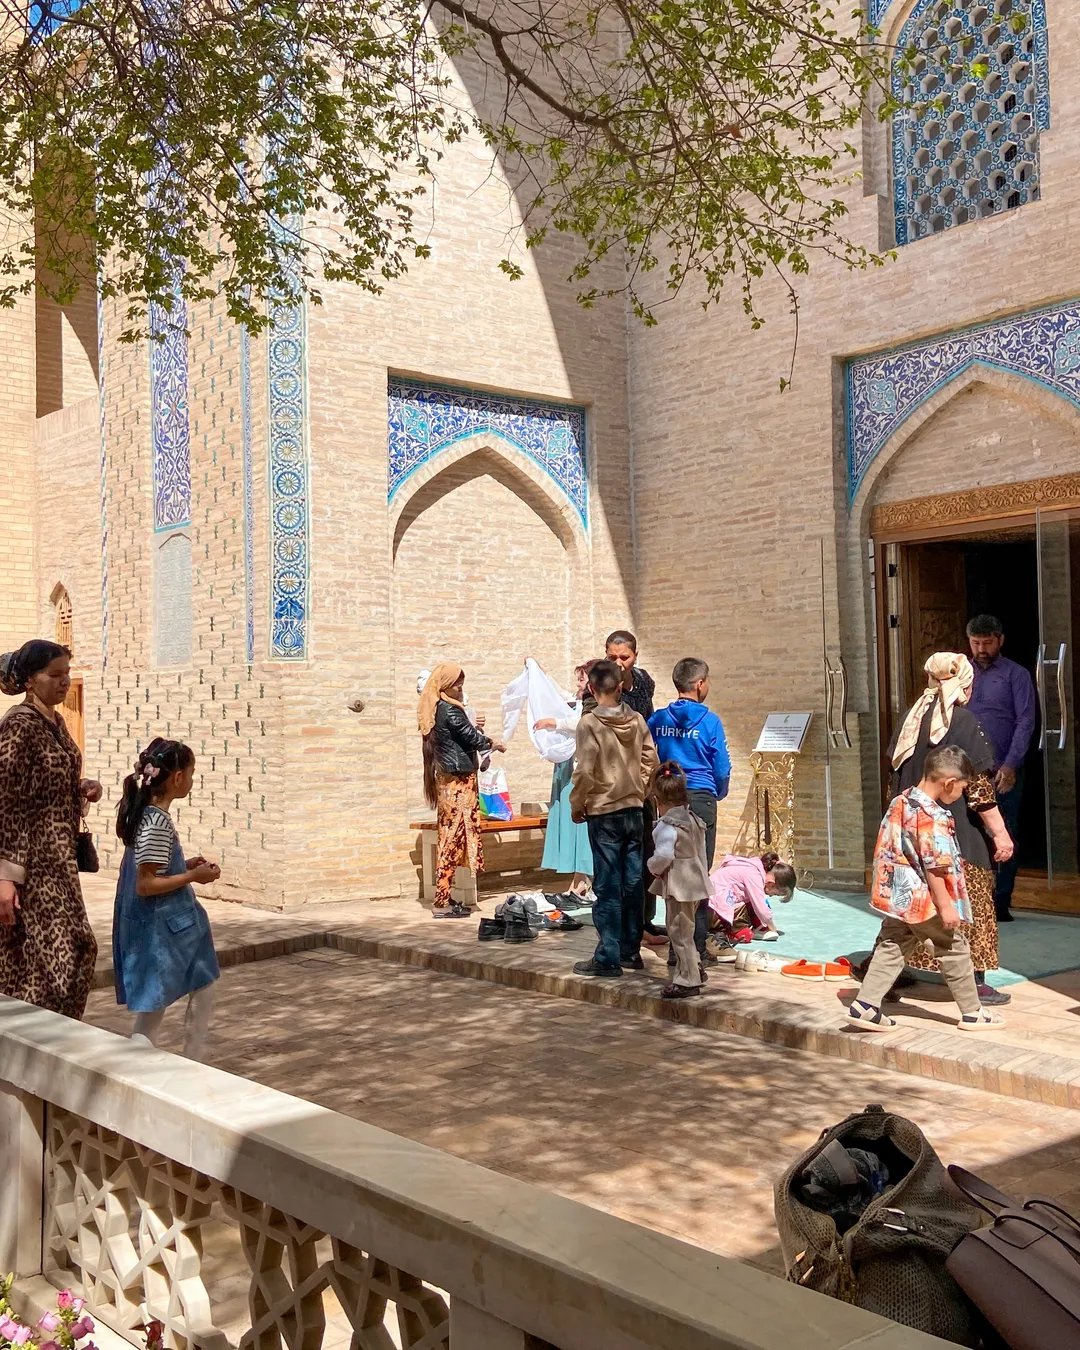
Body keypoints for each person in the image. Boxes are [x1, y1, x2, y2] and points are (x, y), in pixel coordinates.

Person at [848, 744, 1005, 1033]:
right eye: (962, 788)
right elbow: (935, 867)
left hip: (896, 895)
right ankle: (973, 1013)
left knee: (893, 944)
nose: (961, 794)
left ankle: (865, 1005)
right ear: (949, 783)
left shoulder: (901, 801)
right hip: (923, 901)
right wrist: (946, 906)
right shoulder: (933, 816)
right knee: (954, 948)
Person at [888, 652, 1014, 1006]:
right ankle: (974, 981)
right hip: (955, 835)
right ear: (964, 685)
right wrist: (1000, 834)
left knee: (912, 905)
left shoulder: (911, 719)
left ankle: (889, 971)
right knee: (968, 905)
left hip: (911, 830)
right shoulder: (963, 721)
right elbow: (979, 790)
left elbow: (894, 779)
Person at [0, 640, 102, 1020]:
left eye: (67, 674)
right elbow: (7, 801)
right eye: (55, 674)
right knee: (44, 962)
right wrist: (6, 876)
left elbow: (47, 782)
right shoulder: (18, 725)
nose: (64, 682)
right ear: (30, 679)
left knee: (74, 952)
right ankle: (33, 1041)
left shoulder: (56, 723)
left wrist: (82, 787)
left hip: (60, 862)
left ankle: (53, 1039)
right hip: (32, 866)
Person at [113, 738, 226, 1059]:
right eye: (191, 774)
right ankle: (160, 1065)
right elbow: (146, 883)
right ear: (177, 778)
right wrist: (193, 876)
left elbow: (154, 866)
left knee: (202, 985)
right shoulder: (156, 823)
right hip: (162, 932)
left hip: (177, 929)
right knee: (152, 1011)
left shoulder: (148, 816)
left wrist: (184, 865)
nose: (191, 780)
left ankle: (193, 1060)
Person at [569, 659, 659, 975]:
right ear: (620, 687)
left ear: (591, 689)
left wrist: (577, 803)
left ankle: (608, 956)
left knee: (608, 885)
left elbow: (584, 770)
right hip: (633, 810)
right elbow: (651, 761)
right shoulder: (636, 719)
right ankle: (630, 951)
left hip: (603, 812)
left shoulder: (589, 724)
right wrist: (640, 790)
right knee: (633, 882)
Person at [648, 657, 731, 960]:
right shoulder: (710, 721)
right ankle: (696, 947)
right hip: (701, 799)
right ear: (699, 684)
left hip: (668, 799)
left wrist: (656, 791)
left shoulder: (657, 720)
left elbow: (647, 757)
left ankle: (677, 947)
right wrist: (717, 793)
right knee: (699, 873)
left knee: (672, 873)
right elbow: (721, 767)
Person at [419, 664, 506, 918]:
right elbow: (471, 737)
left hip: (451, 780)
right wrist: (494, 743)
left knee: (452, 837)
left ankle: (444, 897)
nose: (460, 690)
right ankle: (441, 902)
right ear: (445, 686)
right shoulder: (449, 710)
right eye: (457, 686)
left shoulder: (440, 708)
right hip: (458, 784)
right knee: (452, 838)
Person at [965, 614, 1036, 923]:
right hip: (964, 770)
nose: (982, 649)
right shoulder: (961, 673)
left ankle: (1001, 900)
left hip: (1001, 768)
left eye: (987, 643)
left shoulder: (1016, 675)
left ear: (1000, 640)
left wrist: (1011, 764)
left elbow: (1026, 721)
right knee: (965, 833)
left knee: (1004, 831)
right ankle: (970, 899)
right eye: (976, 643)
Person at [646, 763, 710, 1000]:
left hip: (679, 885)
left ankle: (687, 980)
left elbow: (663, 856)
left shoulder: (667, 825)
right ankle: (695, 967)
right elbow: (701, 853)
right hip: (696, 881)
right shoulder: (694, 820)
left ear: (657, 801)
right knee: (687, 929)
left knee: (679, 932)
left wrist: (652, 867)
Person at [534, 659, 598, 890]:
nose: (578, 683)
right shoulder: (578, 700)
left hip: (583, 770)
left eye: (582, 679)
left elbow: (581, 723)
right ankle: (580, 877)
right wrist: (540, 674)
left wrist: (555, 723)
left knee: (582, 825)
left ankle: (584, 878)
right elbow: (556, 694)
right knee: (572, 825)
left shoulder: (595, 706)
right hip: (569, 766)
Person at [710, 851, 796, 944]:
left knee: (756, 902)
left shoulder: (754, 870)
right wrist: (772, 927)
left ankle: (758, 927)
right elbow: (761, 908)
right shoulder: (754, 876)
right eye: (775, 894)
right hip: (713, 910)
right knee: (745, 936)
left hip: (712, 905)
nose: (771, 896)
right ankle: (725, 932)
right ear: (771, 883)